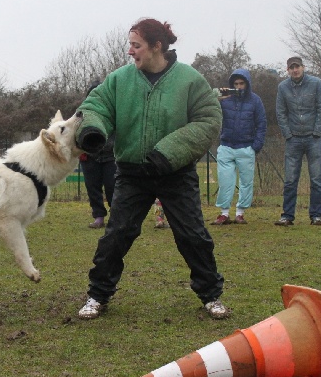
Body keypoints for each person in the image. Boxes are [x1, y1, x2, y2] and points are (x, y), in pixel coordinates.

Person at [74, 18, 229, 320]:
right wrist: (93, 129)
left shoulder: (190, 80)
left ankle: (211, 295)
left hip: (175, 172)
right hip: (132, 173)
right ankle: (97, 295)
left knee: (193, 235)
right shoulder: (120, 80)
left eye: (136, 45)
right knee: (116, 234)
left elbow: (209, 119)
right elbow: (96, 106)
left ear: (157, 46)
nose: (130, 51)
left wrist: (168, 152)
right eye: (130, 45)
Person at [275, 56, 321, 226]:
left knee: (316, 179)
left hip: (313, 139)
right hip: (293, 140)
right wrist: (287, 134)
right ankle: (287, 216)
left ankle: (316, 215)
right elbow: (280, 112)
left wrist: (318, 131)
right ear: (287, 70)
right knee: (290, 180)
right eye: (291, 67)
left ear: (303, 67)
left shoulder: (316, 83)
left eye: (297, 66)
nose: (295, 70)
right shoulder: (282, 87)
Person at [211, 68, 267, 225]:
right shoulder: (225, 99)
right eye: (235, 83)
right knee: (225, 181)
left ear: (247, 84)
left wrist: (256, 145)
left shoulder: (255, 101)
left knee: (246, 182)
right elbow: (206, 104)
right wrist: (217, 96)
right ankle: (224, 213)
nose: (238, 86)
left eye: (242, 83)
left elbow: (261, 123)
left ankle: (240, 213)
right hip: (226, 146)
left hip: (246, 147)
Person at [81, 133, 116, 229]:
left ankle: (116, 217)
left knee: (112, 187)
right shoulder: (83, 117)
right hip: (89, 154)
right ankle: (99, 217)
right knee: (92, 187)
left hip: (111, 154)